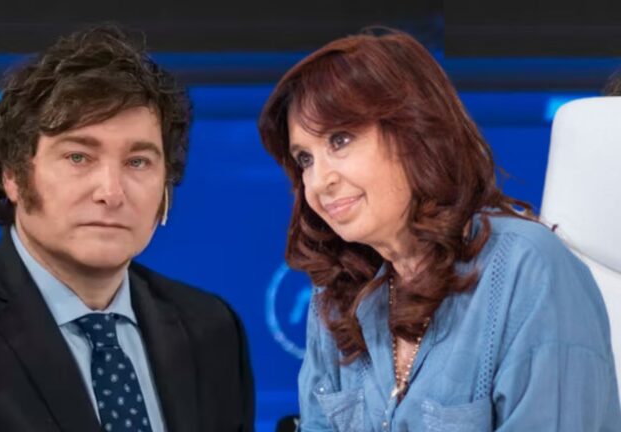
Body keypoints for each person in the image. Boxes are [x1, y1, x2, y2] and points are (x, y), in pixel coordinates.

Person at [0, 24, 254, 432]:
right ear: (12, 175)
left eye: (138, 162)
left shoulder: (212, 330)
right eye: (78, 157)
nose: (111, 192)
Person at [258, 29, 620, 431]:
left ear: (414, 133)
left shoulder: (529, 269)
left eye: (340, 140)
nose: (319, 180)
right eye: (305, 159)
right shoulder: (335, 294)